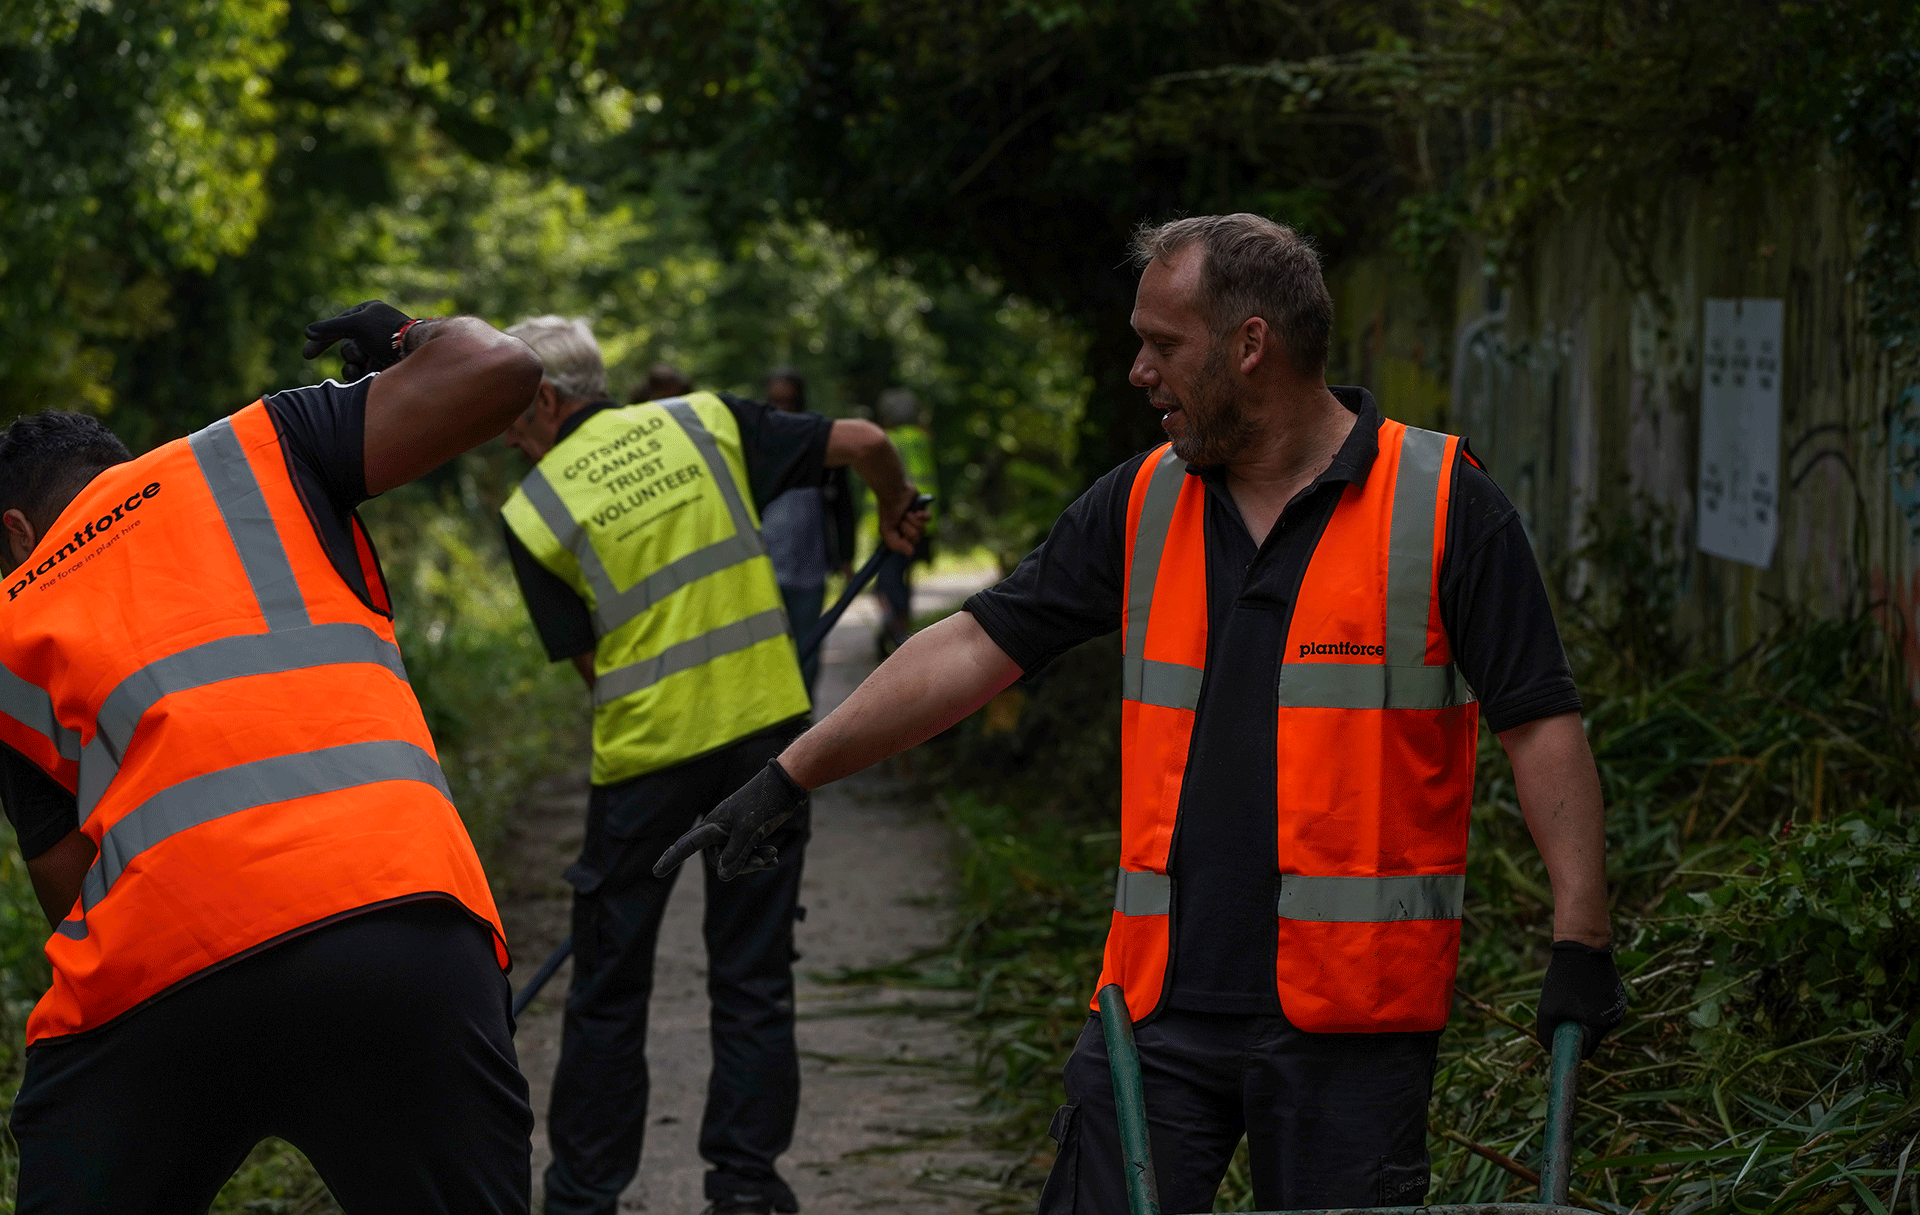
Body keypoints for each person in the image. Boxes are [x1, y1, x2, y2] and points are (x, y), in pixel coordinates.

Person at [659, 215, 1629, 1213]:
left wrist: (1581, 939)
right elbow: (973, 647)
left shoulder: (1439, 504)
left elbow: (1539, 722)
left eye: (1163, 344)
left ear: (1251, 345)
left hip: (1355, 1029)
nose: (1138, 371)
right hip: (1153, 1014)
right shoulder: (1143, 501)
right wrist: (791, 772)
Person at [0, 300, 543, 1213]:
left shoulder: (14, 612)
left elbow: (69, 893)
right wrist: (406, 341)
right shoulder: (250, 451)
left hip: (163, 975)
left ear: (14, 532)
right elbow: (502, 369)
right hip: (402, 925)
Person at [495, 317, 927, 1215]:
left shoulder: (530, 508)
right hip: (763, 746)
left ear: (544, 399)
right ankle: (745, 1188)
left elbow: (592, 667)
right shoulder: (703, 421)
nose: (505, 433)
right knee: (754, 975)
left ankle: (581, 1197)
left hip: (644, 763)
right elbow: (871, 443)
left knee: (609, 989)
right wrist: (893, 510)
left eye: (510, 412)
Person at [758, 369, 856, 695]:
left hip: (811, 568)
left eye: (789, 402)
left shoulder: (823, 444)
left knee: (808, 647)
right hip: (764, 568)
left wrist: (846, 555)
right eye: (775, 402)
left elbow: (843, 505)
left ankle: (802, 722)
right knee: (769, 651)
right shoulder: (756, 444)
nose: (782, 410)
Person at [870, 388, 935, 656]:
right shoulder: (923, 439)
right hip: (923, 523)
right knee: (903, 581)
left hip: (893, 524)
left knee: (885, 585)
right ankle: (901, 632)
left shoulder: (886, 441)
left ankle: (897, 634)